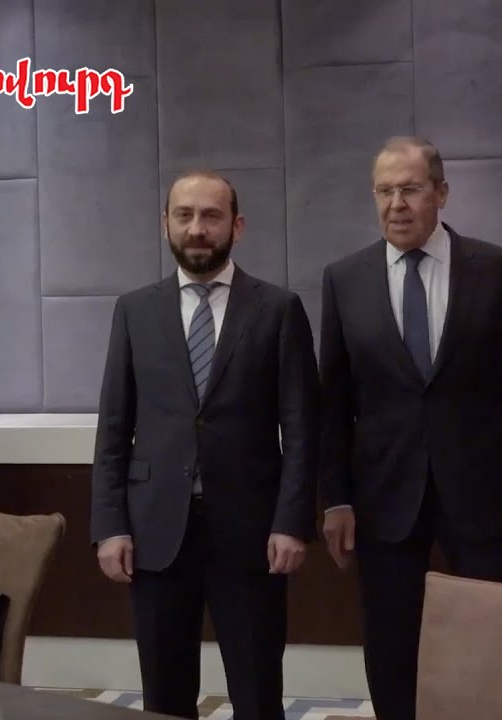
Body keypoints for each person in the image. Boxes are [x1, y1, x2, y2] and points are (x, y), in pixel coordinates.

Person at [318, 136, 502, 720]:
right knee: (391, 640)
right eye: (384, 191)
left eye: (410, 189)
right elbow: (333, 402)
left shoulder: (494, 268)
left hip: (478, 489)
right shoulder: (344, 279)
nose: (396, 204)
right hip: (384, 493)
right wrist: (335, 497)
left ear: (441, 193)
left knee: (489, 631)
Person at [89, 172, 319, 720]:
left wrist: (292, 522)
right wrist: (110, 526)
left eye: (211, 216)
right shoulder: (134, 310)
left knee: (257, 692)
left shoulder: (278, 309)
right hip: (155, 533)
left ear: (236, 226)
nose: (197, 228)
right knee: (164, 697)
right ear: (165, 224)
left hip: (251, 533)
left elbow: (302, 429)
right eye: (184, 215)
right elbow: (114, 427)